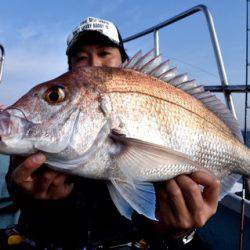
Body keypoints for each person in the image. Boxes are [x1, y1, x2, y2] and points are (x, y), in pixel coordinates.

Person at [3, 17, 220, 249]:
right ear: (70, 69)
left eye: (104, 53)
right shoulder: (44, 136)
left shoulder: (140, 100)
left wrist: (180, 234)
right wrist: (25, 194)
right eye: (81, 57)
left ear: (123, 61)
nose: (93, 64)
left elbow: (154, 211)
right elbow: (20, 187)